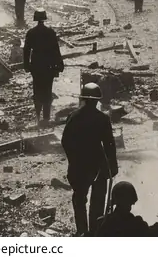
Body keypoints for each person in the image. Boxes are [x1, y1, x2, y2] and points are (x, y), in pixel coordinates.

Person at [61, 82, 118, 236]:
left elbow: (65, 142)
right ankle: (95, 231)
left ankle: (82, 231)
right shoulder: (103, 118)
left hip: (79, 166)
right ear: (97, 100)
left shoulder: (73, 116)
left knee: (79, 199)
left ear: (83, 99)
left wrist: (73, 160)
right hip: (98, 166)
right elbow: (109, 145)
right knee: (98, 201)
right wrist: (112, 167)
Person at [23, 9, 64, 125]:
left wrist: (26, 65)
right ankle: (46, 117)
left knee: (37, 90)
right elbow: (56, 50)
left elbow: (26, 50)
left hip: (36, 65)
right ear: (45, 18)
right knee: (47, 90)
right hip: (48, 65)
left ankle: (37, 115)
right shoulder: (50, 32)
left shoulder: (31, 33)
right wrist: (59, 65)